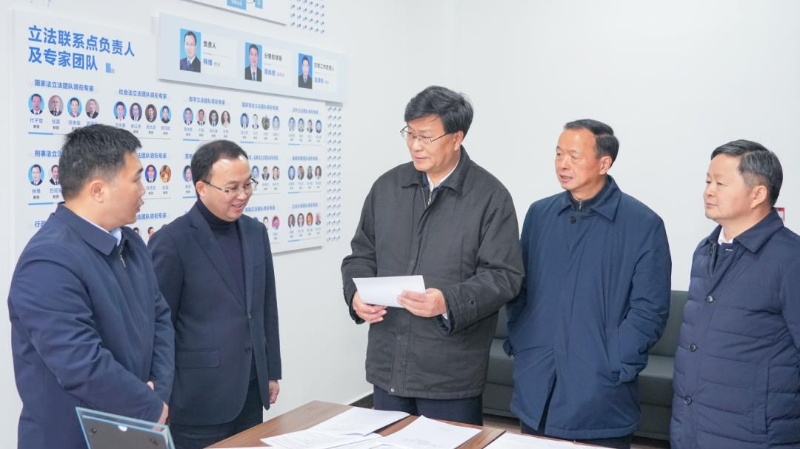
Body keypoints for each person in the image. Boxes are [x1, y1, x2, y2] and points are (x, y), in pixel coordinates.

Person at [341, 85, 524, 425]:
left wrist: (448, 302)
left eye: (426, 137)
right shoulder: (387, 188)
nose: (415, 145)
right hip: (388, 365)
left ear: (457, 138)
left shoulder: (490, 197)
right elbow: (360, 255)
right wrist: (355, 294)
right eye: (410, 134)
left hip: (450, 374)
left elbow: (504, 276)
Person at [506, 119, 671, 449]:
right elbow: (519, 287)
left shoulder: (643, 224)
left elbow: (650, 310)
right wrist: (522, 337)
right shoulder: (540, 214)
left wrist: (616, 358)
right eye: (558, 154)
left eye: (574, 155)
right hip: (537, 379)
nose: (563, 164)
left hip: (599, 389)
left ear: (604, 163)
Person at [8, 124, 173, 449]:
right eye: (136, 179)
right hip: (74, 438)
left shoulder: (131, 243)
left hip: (138, 427)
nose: (143, 190)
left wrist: (160, 392)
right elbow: (79, 362)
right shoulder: (48, 261)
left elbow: (161, 320)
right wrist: (147, 404)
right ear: (98, 190)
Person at [149, 140, 282, 449]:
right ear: (201, 188)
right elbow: (158, 325)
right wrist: (159, 394)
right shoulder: (172, 241)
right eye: (232, 188)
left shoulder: (255, 232)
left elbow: (265, 307)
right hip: (197, 397)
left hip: (250, 389)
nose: (242, 195)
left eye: (247, 184)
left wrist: (271, 370)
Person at [671, 140, 800, 449]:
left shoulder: (790, 259)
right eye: (707, 181)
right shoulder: (706, 251)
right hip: (692, 429)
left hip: (754, 436)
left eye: (720, 183)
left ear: (758, 194)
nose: (708, 191)